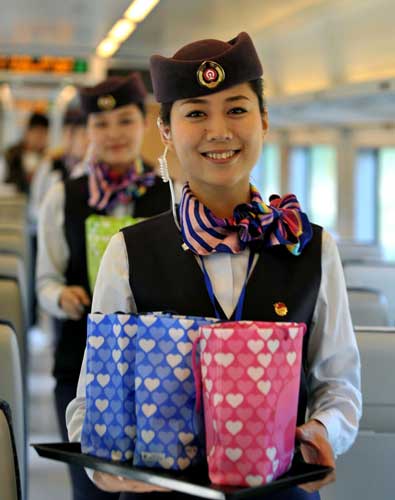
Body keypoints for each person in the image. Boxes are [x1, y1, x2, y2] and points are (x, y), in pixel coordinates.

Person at [66, 33, 362, 500]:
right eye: (196, 113)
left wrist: (324, 431)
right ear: (166, 130)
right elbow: (92, 398)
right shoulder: (128, 252)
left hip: (278, 492)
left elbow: (338, 383)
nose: (219, 130)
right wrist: (105, 465)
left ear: (264, 119)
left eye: (237, 109)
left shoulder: (311, 246)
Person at [36, 73, 171, 500]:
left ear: (145, 123)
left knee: (148, 488)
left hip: (156, 369)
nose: (113, 134)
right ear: (87, 131)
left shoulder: (168, 194)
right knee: (91, 487)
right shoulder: (64, 196)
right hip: (79, 363)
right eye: (101, 124)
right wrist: (61, 297)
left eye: (125, 121)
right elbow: (45, 280)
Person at [1, 111, 49, 194]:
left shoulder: (47, 159)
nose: (40, 139)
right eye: (38, 134)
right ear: (28, 132)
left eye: (44, 135)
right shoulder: (11, 156)